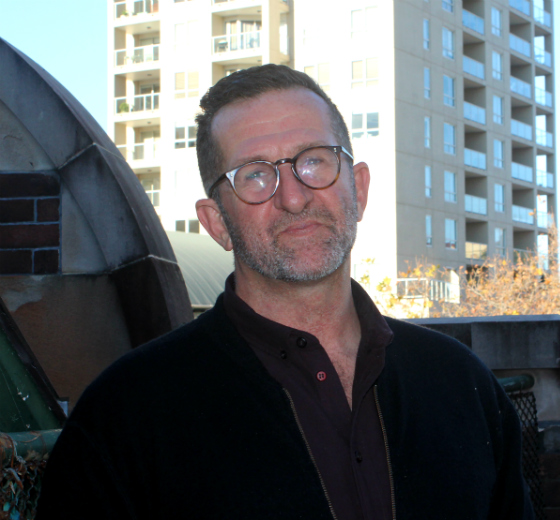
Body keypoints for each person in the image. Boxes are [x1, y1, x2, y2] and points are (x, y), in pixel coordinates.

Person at [37, 64, 534, 520]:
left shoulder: (461, 385)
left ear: (358, 189)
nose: (294, 197)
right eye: (255, 175)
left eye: (315, 162)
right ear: (217, 223)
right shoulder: (126, 415)